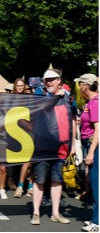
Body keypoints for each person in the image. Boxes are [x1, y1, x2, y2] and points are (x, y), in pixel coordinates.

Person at [30, 69, 75, 225]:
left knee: (57, 180)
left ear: (59, 81)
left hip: (60, 146)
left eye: (51, 79)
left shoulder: (68, 99)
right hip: (42, 146)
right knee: (39, 179)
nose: (48, 82)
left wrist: (73, 144)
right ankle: (36, 213)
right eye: (46, 80)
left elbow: (73, 120)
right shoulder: (39, 96)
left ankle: (55, 213)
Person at [74, 73, 99, 232]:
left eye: (80, 84)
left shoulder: (96, 102)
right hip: (92, 146)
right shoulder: (91, 102)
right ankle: (95, 219)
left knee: (97, 185)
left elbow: (98, 130)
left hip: (95, 148)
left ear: (86, 85)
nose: (79, 87)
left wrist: (90, 153)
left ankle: (97, 223)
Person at [12, 78, 34, 198]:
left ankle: (29, 186)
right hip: (17, 133)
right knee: (26, 161)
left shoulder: (29, 98)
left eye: (22, 85)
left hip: (31, 132)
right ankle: (20, 185)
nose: (20, 87)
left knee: (31, 161)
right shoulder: (12, 99)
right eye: (18, 85)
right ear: (15, 87)